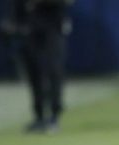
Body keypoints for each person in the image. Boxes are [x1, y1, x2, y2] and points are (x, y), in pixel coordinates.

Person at [8, 0, 73, 133]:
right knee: (34, 71)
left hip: (53, 25)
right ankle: (39, 117)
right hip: (31, 26)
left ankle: (54, 116)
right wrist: (15, 21)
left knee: (53, 70)